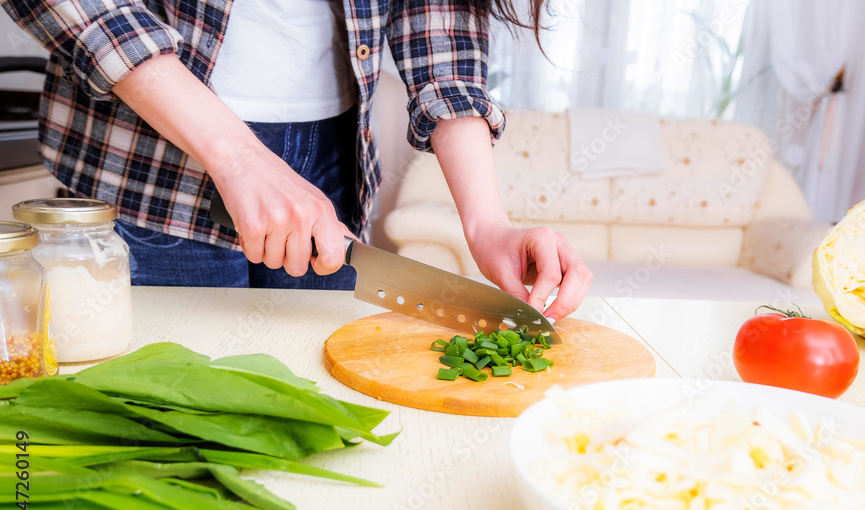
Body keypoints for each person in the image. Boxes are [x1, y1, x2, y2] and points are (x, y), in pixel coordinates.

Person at [2, 0, 592, 320]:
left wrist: (486, 222)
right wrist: (237, 156)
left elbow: (438, 24)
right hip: (148, 164)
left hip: (331, 166)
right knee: (167, 432)